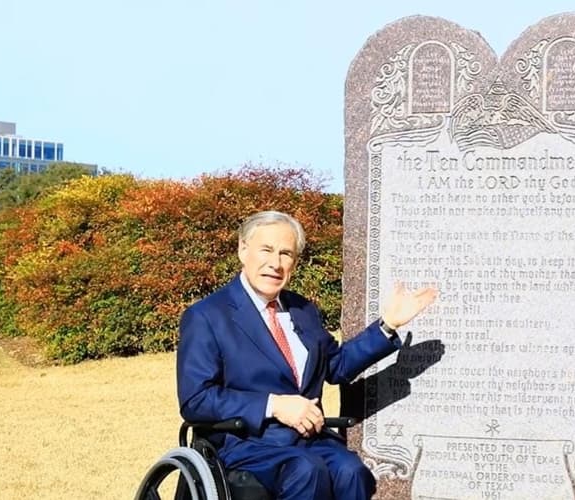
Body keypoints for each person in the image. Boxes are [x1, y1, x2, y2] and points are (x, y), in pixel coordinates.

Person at [177, 210, 437, 500]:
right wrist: (274, 405)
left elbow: (336, 366)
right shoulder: (207, 316)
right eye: (266, 250)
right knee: (306, 470)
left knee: (352, 471)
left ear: (295, 262)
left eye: (285, 254)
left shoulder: (303, 310)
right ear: (243, 249)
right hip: (248, 443)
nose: (275, 263)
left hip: (310, 440)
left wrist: (387, 325)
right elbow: (196, 400)